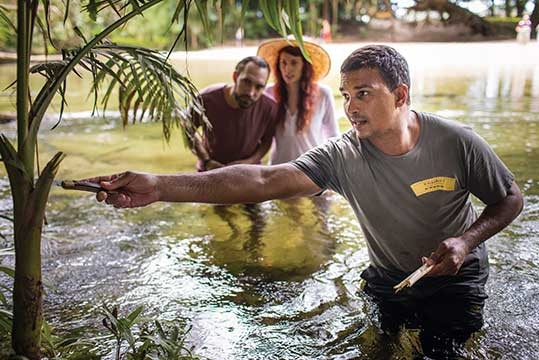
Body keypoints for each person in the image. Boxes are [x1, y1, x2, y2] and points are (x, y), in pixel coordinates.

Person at [85, 45, 523, 358]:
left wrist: (466, 242)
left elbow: (509, 199)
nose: (351, 107)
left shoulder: (458, 142)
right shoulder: (342, 154)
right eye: (347, 95)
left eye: (364, 93)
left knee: (442, 352)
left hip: (457, 278)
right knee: (380, 346)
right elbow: (261, 178)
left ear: (401, 95)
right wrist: (160, 187)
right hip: (388, 277)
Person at [187, 56, 278, 171]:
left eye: (259, 87)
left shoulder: (269, 108)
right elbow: (188, 129)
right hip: (209, 171)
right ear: (235, 77)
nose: (250, 92)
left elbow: (267, 141)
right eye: (246, 82)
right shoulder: (205, 99)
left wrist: (248, 162)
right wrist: (206, 160)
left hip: (249, 173)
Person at [257, 39, 339, 164]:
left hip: (312, 170)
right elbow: (258, 134)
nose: (287, 69)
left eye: (294, 63)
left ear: (305, 66)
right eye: (283, 63)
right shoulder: (268, 93)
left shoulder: (323, 94)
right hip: (278, 169)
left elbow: (333, 135)